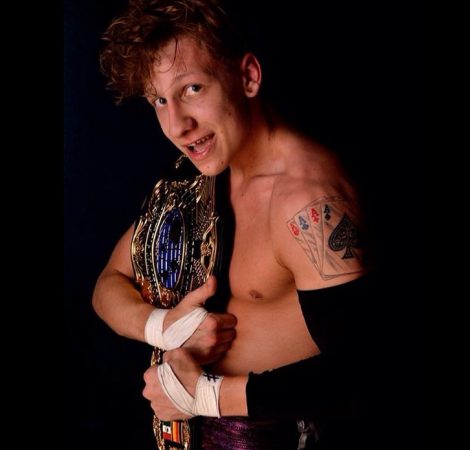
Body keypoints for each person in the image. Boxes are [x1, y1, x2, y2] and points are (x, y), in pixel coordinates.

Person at [93, 0, 372, 448]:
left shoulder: (307, 202)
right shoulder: (202, 177)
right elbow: (108, 283)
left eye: (192, 89)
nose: (177, 125)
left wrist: (205, 395)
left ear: (248, 77)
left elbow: (368, 372)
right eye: (159, 100)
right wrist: (161, 326)